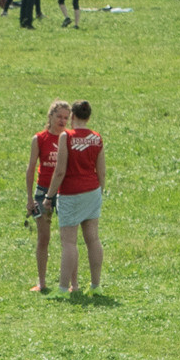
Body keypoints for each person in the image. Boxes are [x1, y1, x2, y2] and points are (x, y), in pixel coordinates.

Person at [49, 99, 105, 294]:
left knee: (69, 243)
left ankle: (64, 288)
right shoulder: (97, 138)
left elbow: (60, 171)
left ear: (72, 116)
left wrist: (49, 196)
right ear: (88, 117)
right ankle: (96, 286)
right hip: (93, 191)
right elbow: (102, 171)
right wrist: (100, 192)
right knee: (93, 239)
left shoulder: (67, 136)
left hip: (71, 193)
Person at [24, 98, 69, 291]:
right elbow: (31, 168)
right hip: (43, 191)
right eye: (58, 116)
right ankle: (41, 282)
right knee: (43, 238)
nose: (62, 121)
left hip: (65, 190)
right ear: (50, 116)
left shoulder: (68, 137)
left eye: (66, 118)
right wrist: (29, 198)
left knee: (69, 239)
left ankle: (70, 283)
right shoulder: (40, 139)